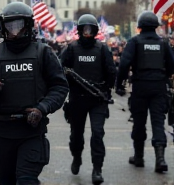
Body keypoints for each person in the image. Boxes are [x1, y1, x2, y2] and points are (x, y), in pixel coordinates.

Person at [0, 1, 69, 185]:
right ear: (3, 27)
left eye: (19, 26)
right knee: (5, 180)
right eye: (10, 26)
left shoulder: (43, 52)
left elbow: (60, 87)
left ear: (29, 26)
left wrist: (42, 108)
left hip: (31, 132)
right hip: (2, 133)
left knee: (26, 180)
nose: (14, 31)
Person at [60, 14, 116, 185]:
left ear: (95, 31)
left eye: (90, 29)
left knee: (97, 134)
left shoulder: (102, 48)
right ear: (79, 30)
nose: (87, 32)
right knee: (76, 135)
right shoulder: (71, 49)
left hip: (97, 99)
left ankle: (97, 169)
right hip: (77, 99)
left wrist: (106, 90)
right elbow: (60, 70)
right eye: (84, 29)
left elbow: (111, 71)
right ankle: (77, 157)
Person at [116, 11, 174, 173]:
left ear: (140, 27)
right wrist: (164, 76)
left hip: (140, 87)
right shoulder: (163, 43)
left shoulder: (134, 42)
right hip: (159, 87)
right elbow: (171, 64)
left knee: (139, 122)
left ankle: (139, 157)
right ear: (156, 26)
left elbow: (124, 65)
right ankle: (160, 159)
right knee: (158, 122)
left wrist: (119, 84)